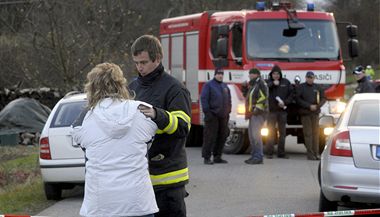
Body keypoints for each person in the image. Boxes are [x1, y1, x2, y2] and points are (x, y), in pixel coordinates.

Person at [71, 63, 158, 217]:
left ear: (91, 87)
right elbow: (150, 138)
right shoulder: (141, 110)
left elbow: (78, 138)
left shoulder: (86, 117)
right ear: (121, 84)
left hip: (100, 205)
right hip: (139, 203)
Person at [129, 35, 191, 217]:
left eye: (144, 62)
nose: (139, 67)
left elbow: (183, 127)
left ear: (157, 59)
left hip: (169, 179)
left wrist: (158, 115)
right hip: (140, 178)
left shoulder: (175, 88)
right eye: (136, 63)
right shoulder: (132, 87)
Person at [200, 68, 231, 165]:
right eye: (218, 74)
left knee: (222, 136)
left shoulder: (225, 86)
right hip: (212, 115)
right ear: (215, 74)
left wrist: (228, 111)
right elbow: (204, 99)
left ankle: (218, 156)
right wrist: (207, 112)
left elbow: (229, 100)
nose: (220, 75)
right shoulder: (208, 85)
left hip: (223, 116)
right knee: (210, 137)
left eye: (222, 74)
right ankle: (207, 157)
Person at [296, 71, 326, 160]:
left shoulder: (318, 87)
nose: (310, 79)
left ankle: (316, 153)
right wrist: (309, 106)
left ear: (314, 78)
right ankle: (310, 154)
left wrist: (317, 106)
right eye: (308, 77)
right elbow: (298, 99)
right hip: (305, 114)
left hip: (315, 113)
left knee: (316, 134)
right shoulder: (301, 87)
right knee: (308, 134)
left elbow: (323, 98)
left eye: (311, 77)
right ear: (306, 78)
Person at [265, 65, 293, 159]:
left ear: (280, 74)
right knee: (270, 132)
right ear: (271, 74)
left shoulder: (286, 82)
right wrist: (273, 84)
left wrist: (285, 102)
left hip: (282, 112)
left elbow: (291, 94)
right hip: (271, 112)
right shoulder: (268, 82)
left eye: (277, 74)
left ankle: (281, 153)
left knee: (282, 133)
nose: (276, 75)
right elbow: (264, 90)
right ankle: (269, 153)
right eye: (274, 74)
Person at [244, 68, 268, 165]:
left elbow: (264, 97)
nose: (249, 76)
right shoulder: (254, 84)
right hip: (252, 114)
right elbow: (249, 97)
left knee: (256, 136)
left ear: (256, 75)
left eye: (251, 74)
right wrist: (244, 88)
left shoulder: (261, 84)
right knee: (252, 136)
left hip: (258, 114)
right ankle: (254, 155)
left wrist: (256, 109)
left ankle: (258, 157)